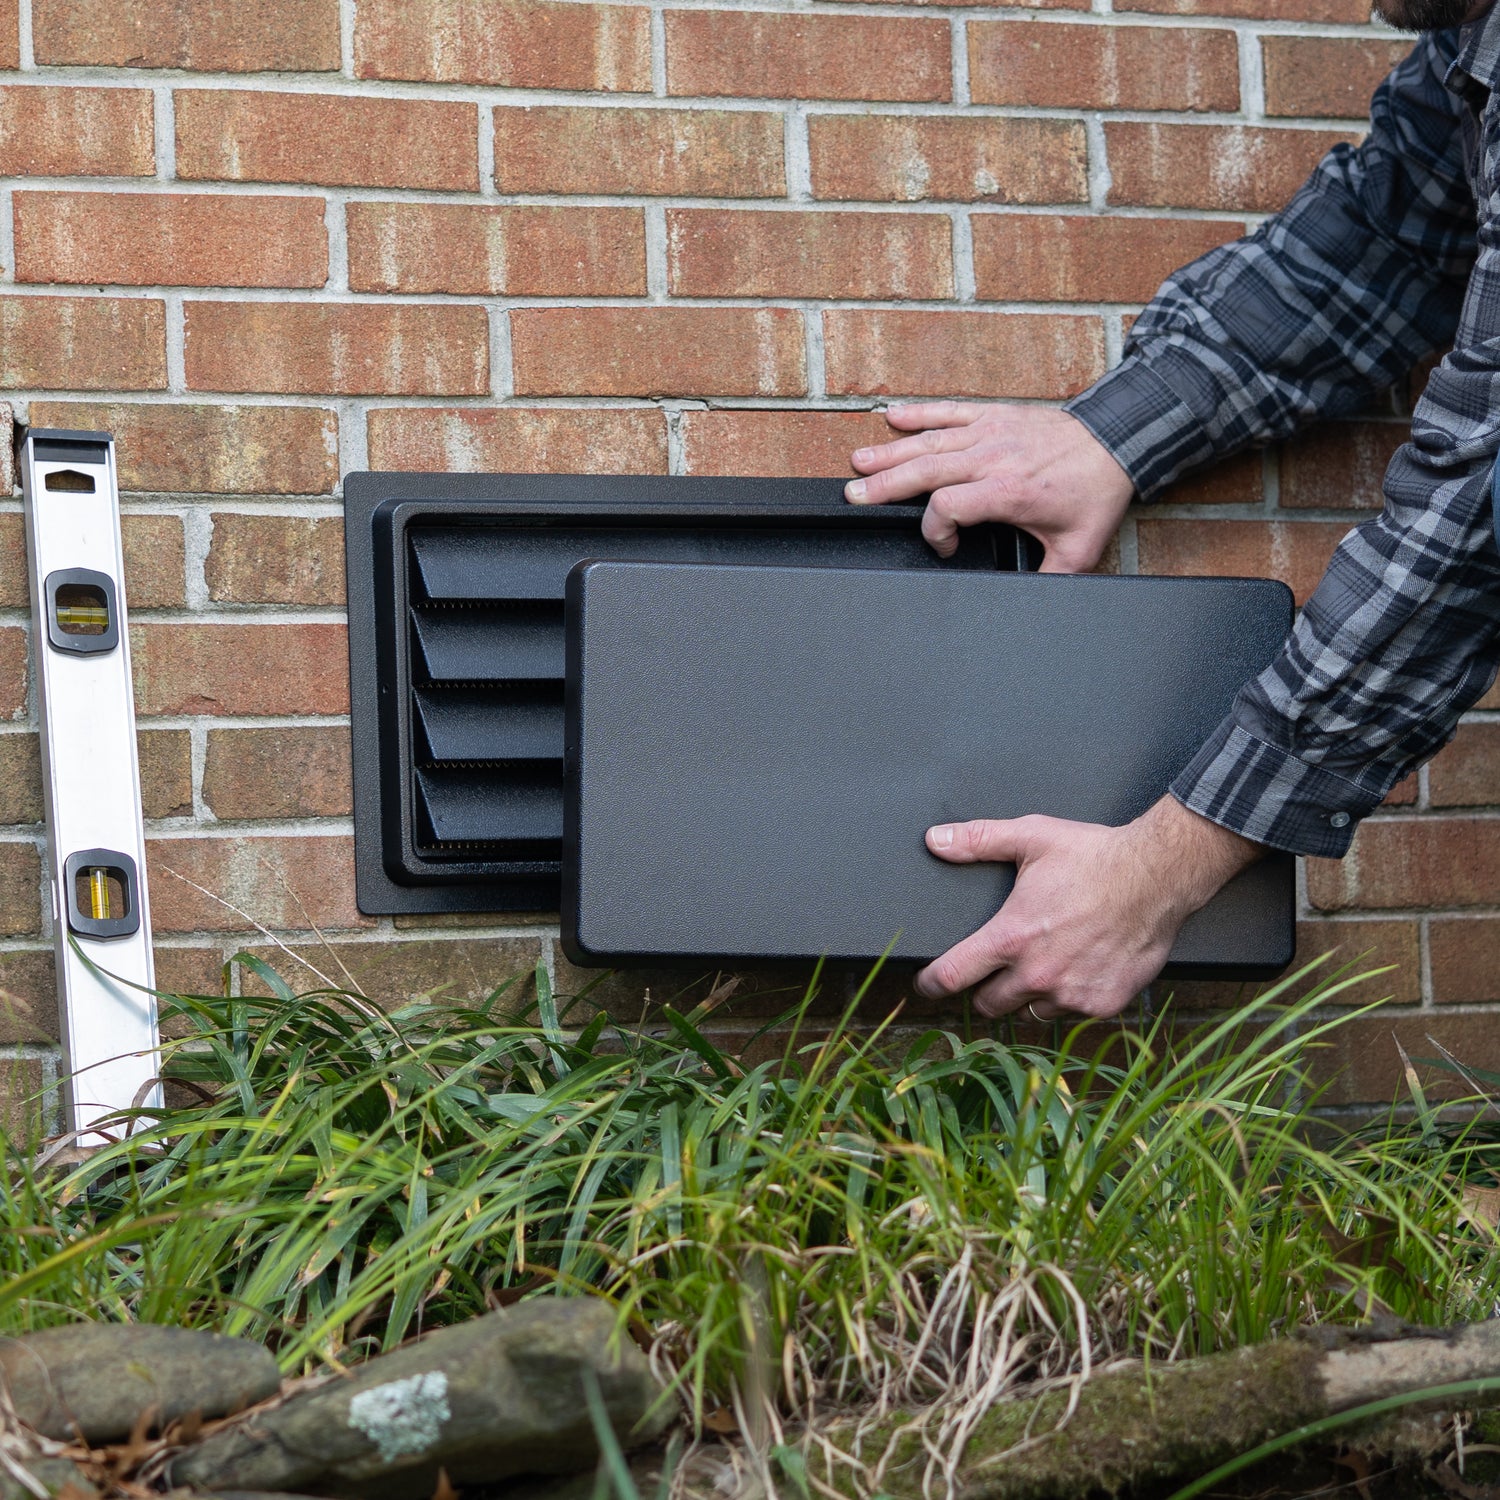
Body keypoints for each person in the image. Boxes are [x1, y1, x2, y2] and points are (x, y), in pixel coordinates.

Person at [849, 0, 1500, 1024]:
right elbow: (1388, 239)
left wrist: (1166, 866)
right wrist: (1111, 436)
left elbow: (1478, 510)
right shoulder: (1472, 40)